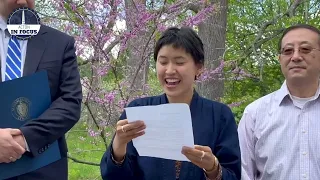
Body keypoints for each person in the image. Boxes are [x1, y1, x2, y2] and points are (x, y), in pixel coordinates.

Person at [100, 26, 241, 180]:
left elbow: (233, 175)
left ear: (199, 67)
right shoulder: (138, 111)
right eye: (163, 62)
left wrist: (213, 168)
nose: (169, 70)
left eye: (179, 62)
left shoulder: (220, 116)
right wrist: (119, 146)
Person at [0, 0, 82, 180]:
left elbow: (70, 102)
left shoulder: (60, 43)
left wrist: (24, 138)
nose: (22, 1)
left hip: (43, 167)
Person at [238, 24, 320, 180]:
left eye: (305, 49)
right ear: (280, 59)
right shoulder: (254, 114)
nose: (295, 56)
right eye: (288, 51)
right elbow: (243, 174)